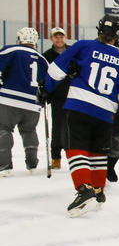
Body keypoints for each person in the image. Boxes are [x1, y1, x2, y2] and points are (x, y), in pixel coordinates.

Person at [42, 14, 119, 216]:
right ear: (118, 35)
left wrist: (46, 88)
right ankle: (98, 191)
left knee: (75, 148)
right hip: (105, 114)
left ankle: (84, 190)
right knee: (97, 152)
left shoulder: (83, 46)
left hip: (79, 106)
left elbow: (56, 70)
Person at [0, 28, 48, 175]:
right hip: (32, 103)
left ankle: (4, 167)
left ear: (20, 38)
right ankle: (32, 165)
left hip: (9, 99)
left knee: (3, 129)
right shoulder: (42, 59)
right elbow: (47, 82)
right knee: (29, 131)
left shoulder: (11, 50)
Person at [42, 27, 71, 168]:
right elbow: (44, 76)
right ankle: (55, 157)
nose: (59, 39)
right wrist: (44, 91)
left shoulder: (73, 52)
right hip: (57, 97)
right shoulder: (47, 56)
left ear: (65, 38)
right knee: (57, 127)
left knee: (73, 127)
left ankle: (74, 156)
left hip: (74, 96)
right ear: (51, 39)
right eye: (56, 37)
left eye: (61, 37)